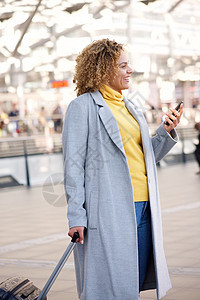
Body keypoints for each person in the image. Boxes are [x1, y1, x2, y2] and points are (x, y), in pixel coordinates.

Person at [62, 39, 183, 300]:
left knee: (131, 282)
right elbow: (73, 166)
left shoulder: (130, 107)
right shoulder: (81, 107)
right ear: (104, 68)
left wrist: (165, 132)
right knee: (111, 286)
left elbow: (146, 157)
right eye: (123, 65)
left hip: (143, 207)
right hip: (108, 211)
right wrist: (76, 217)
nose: (130, 71)